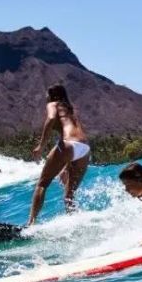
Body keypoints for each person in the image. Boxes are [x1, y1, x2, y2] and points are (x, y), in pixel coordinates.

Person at [27, 85, 90, 226]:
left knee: (42, 184)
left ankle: (30, 224)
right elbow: (75, 141)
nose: (46, 98)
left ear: (52, 96)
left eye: (47, 96)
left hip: (69, 144)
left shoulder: (53, 104)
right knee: (69, 195)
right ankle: (75, 223)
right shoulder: (71, 109)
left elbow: (50, 119)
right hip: (85, 148)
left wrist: (41, 146)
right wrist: (66, 167)